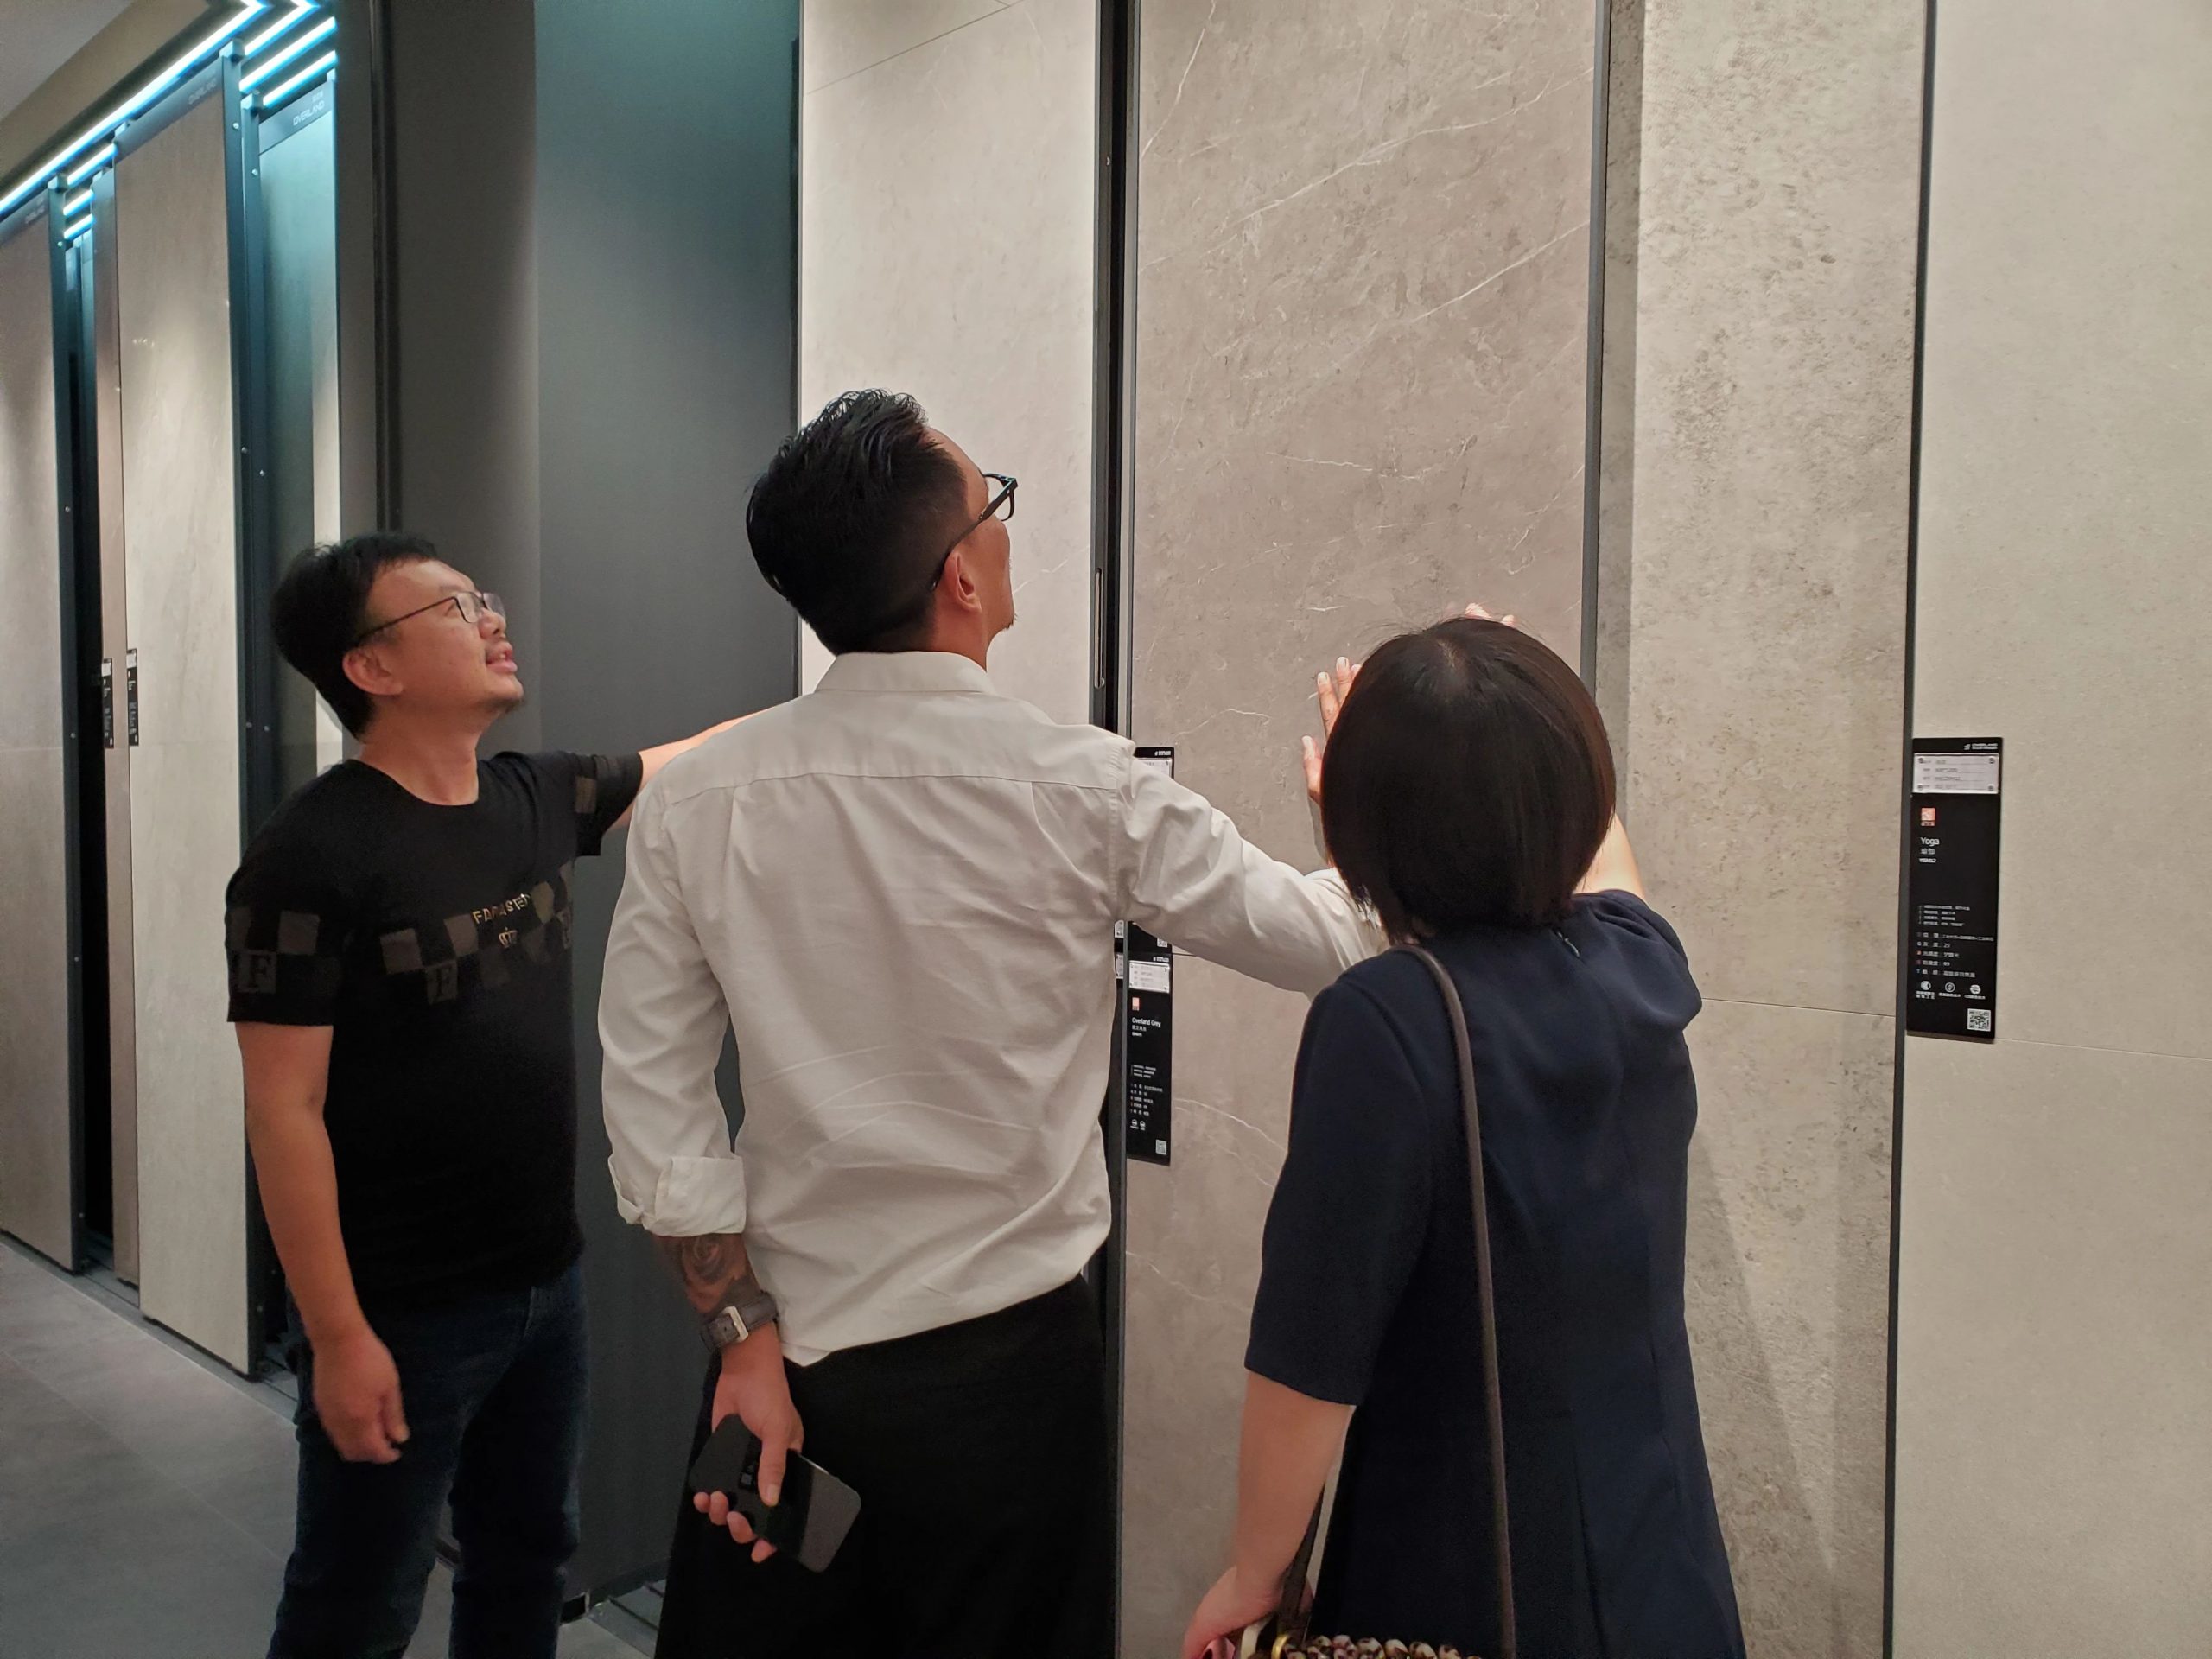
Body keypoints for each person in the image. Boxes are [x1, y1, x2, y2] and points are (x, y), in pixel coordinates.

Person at [596, 389, 1387, 1658]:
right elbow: (1341, 945)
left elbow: (656, 1105)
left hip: (789, 1367)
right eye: (994, 505)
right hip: (1013, 1386)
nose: (1006, 528)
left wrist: (741, 1342)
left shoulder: (699, 802)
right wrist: (1361, 800)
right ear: (961, 575)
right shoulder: (1091, 789)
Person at [1182, 617, 1747, 1659]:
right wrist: (1519, 721)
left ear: (1354, 833)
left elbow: (1309, 1361)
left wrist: (1250, 1574)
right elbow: (1601, 852)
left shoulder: (1386, 1021)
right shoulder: (1638, 963)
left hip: (1467, 1574)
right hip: (1660, 1560)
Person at [226, 532, 744, 1659]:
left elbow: (692, 760)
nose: (492, 620)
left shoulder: (534, 795)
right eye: (456, 609)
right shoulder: (308, 856)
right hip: (400, 1311)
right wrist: (338, 1336)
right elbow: (282, 1112)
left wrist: (856, 702)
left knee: (526, 1564)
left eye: (483, 600)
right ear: (372, 667)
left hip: (545, 1283)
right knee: (356, 1602)